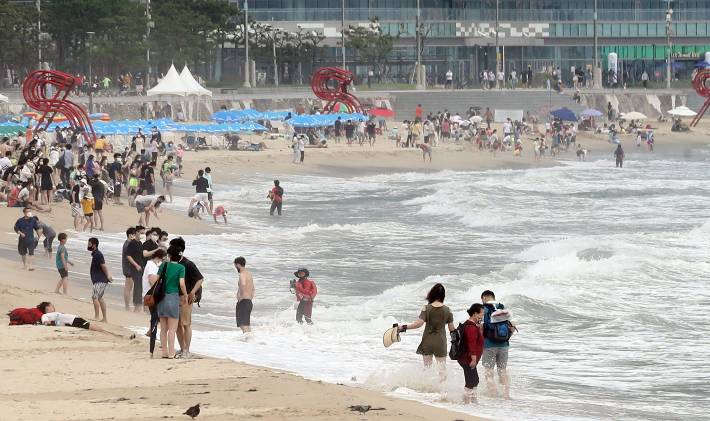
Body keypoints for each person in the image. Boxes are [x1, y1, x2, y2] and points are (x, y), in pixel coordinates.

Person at [396, 283, 454, 377]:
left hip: (427, 341)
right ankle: (442, 390)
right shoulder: (448, 310)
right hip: (441, 342)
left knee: (427, 368)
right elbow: (452, 329)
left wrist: (403, 327)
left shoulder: (426, 308)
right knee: (442, 370)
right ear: (443, 295)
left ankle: (426, 389)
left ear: (432, 294)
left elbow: (419, 324)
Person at [170, 237, 204, 359]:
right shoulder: (172, 263)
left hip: (185, 297)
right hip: (173, 296)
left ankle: (187, 350)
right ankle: (182, 348)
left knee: (186, 324)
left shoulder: (188, 264)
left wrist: (192, 293)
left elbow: (200, 278)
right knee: (177, 324)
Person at [481, 290, 515, 399]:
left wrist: (481, 340)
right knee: (502, 370)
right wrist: (507, 337)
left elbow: (480, 327)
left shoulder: (484, 309)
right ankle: (506, 394)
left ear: (484, 298)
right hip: (504, 344)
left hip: (488, 344)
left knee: (489, 370)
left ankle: (493, 394)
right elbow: (513, 324)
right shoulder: (504, 309)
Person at [158, 244, 188, 359]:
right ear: (180, 256)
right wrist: (185, 296)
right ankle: (171, 352)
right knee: (172, 328)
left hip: (162, 298)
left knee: (163, 328)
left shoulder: (163, 265)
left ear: (169, 255)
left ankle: (164, 352)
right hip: (173, 297)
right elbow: (181, 284)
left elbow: (157, 280)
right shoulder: (181, 268)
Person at [458, 303, 485, 404]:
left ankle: (474, 401)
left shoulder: (472, 326)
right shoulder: (471, 327)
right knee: (471, 381)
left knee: (475, 380)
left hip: (467, 358)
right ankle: (465, 403)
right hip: (468, 359)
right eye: (482, 314)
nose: (483, 316)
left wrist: (480, 325)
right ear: (475, 314)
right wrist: (473, 359)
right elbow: (471, 345)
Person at [143, 248, 166, 358]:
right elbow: (152, 281)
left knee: (157, 320)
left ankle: (159, 342)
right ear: (158, 258)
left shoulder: (151, 265)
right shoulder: (152, 265)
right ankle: (154, 345)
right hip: (152, 296)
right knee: (155, 319)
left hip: (151, 296)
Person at [38, 302, 108, 334]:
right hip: (74, 320)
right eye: (52, 306)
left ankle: (103, 331)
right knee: (90, 326)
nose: (54, 307)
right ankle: (104, 332)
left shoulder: (52, 314)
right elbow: (46, 322)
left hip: (74, 320)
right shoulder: (45, 315)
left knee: (89, 325)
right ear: (47, 308)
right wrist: (59, 323)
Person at [88, 237, 113, 322]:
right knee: (100, 298)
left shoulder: (97, 254)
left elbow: (104, 266)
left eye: (89, 244)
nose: (88, 246)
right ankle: (104, 318)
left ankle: (97, 316)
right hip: (99, 279)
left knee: (95, 297)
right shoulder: (95, 254)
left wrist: (108, 276)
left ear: (94, 245)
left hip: (100, 280)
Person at [234, 256, 254, 334]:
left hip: (243, 301)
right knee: (247, 324)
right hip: (248, 302)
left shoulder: (242, 274)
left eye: (235, 266)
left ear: (238, 265)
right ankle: (249, 340)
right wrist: (251, 297)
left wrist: (241, 295)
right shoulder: (249, 275)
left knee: (243, 325)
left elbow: (242, 284)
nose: (236, 267)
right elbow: (253, 288)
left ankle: (247, 340)